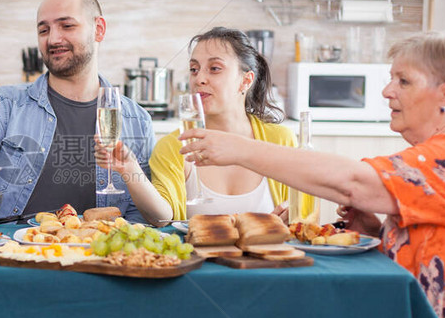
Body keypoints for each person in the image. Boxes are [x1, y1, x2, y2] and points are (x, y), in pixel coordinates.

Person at [179, 30, 445, 318]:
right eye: (390, 78)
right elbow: (439, 253)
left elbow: (352, 183)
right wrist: (377, 231)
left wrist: (238, 149)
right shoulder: (437, 154)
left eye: (403, 81)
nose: (386, 91)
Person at [0, 0, 155, 223]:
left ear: (98, 30)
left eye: (67, 26)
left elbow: (140, 217)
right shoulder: (7, 103)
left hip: (97, 252)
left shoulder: (137, 121)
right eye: (44, 30)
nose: (53, 39)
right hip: (10, 249)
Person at [95, 27, 299, 225]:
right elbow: (162, 217)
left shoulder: (281, 140)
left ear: (246, 81)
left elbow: (304, 214)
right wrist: (130, 168)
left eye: (215, 69)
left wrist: (296, 212)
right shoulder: (173, 146)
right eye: (194, 69)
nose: (199, 79)